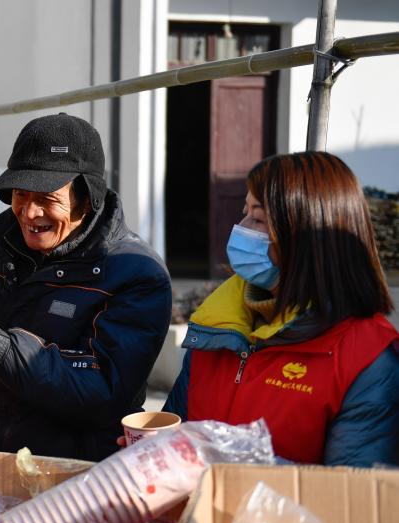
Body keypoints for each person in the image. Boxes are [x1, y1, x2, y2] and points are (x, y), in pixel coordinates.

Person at [0, 113, 173, 461]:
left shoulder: (135, 274)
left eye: (48, 198)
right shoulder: (2, 249)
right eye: (21, 194)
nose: (29, 212)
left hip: (69, 478)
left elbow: (103, 391)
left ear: (88, 198)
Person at [164, 151, 399, 466]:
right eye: (244, 212)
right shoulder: (218, 325)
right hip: (195, 515)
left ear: (309, 236)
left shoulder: (368, 358)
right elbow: (173, 429)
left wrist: (228, 464)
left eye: (258, 219)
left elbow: (352, 498)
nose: (240, 228)